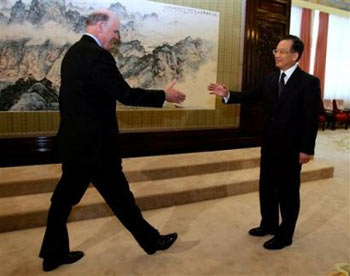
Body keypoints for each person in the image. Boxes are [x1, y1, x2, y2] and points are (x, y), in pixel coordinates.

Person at [39, 9, 186, 272]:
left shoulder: (74, 52)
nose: (117, 37)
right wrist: (164, 95)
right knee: (117, 198)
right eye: (115, 31)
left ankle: (53, 254)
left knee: (66, 201)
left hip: (76, 144)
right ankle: (151, 241)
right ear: (98, 26)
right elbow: (125, 94)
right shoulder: (97, 56)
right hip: (95, 147)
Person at [208, 35, 320, 250]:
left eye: (282, 51)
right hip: (269, 146)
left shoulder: (308, 82)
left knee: (287, 193)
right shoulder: (270, 79)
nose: (276, 55)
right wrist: (227, 94)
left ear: (295, 55)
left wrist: (306, 149)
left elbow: (310, 119)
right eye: (275, 51)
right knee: (266, 188)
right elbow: (249, 96)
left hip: (292, 149)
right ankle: (268, 224)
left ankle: (285, 235)